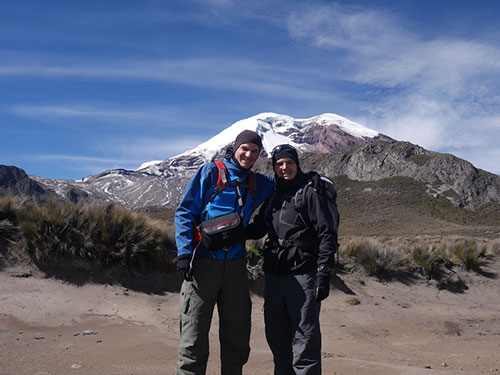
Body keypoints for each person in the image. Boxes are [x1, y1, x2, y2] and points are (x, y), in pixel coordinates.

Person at [174, 130, 275, 375]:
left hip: (236, 268)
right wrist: (184, 253)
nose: (249, 155)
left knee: (237, 336)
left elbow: (284, 185)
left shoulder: (256, 182)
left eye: (255, 151)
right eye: (245, 149)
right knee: (193, 335)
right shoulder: (211, 172)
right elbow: (185, 212)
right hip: (203, 264)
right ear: (235, 148)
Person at [247, 144, 339, 375]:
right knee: (277, 338)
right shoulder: (274, 195)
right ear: (274, 167)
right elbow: (258, 228)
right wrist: (228, 231)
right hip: (275, 276)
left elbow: (327, 234)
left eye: (289, 163)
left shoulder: (311, 191)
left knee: (304, 339)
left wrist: (323, 273)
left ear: (297, 164)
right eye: (279, 164)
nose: (284, 168)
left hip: (303, 275)